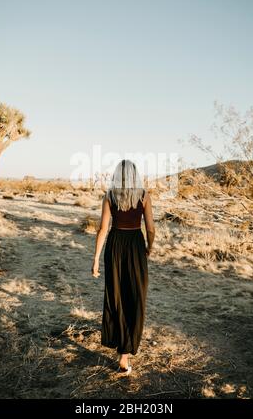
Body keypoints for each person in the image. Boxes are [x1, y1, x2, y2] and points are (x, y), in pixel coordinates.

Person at [92, 159, 155, 375]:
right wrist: (149, 247)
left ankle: (122, 351)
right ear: (135, 175)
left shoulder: (109, 196)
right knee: (135, 297)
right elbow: (151, 228)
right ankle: (125, 355)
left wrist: (96, 259)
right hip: (136, 246)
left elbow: (102, 229)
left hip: (116, 246)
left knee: (116, 296)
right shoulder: (144, 196)